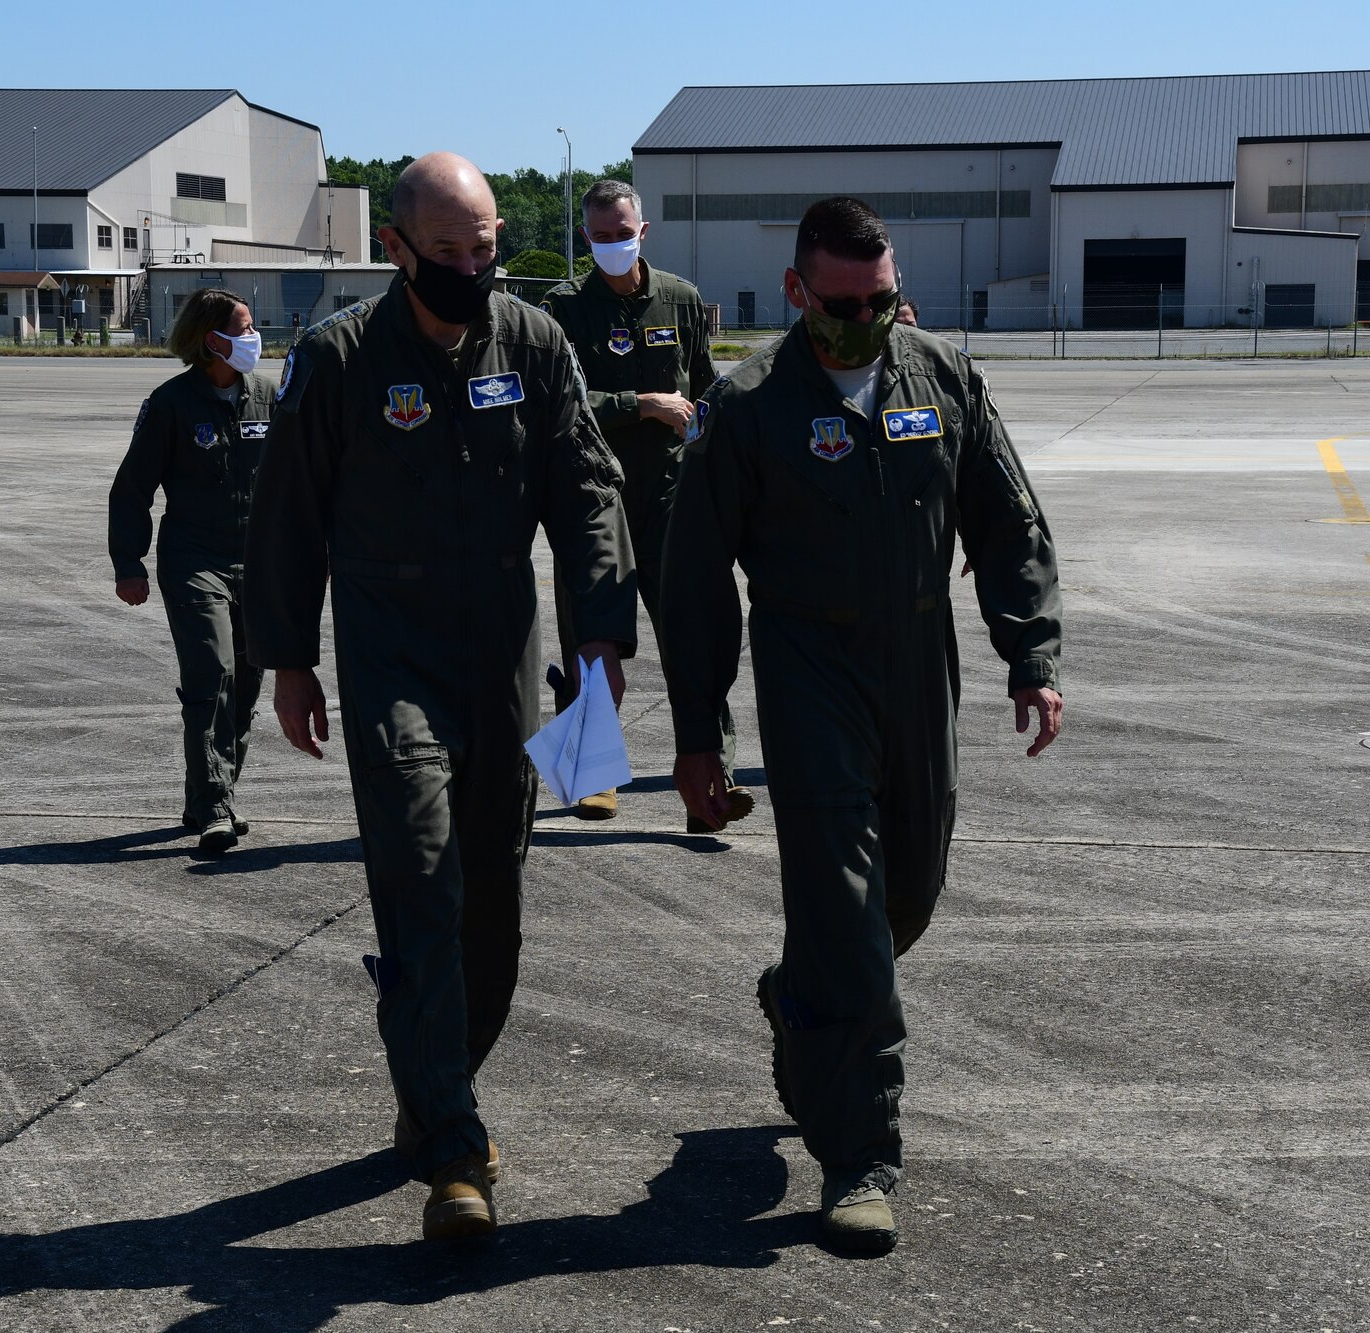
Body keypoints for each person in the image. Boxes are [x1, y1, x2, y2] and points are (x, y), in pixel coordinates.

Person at [244, 153, 637, 1241]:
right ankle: (457, 1154)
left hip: (504, 656)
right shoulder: (339, 358)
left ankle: (430, 1084)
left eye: (485, 248)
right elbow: (285, 515)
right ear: (397, 248)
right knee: (419, 880)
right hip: (391, 655)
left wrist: (600, 630)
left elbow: (587, 485)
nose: (472, 269)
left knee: (490, 913)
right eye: (449, 253)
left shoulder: (535, 342)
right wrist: (286, 658)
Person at [659, 197, 1063, 1254]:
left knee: (907, 895)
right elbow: (695, 580)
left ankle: (800, 996)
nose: (862, 323)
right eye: (840, 305)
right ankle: (857, 1154)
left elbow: (1006, 516)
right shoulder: (745, 405)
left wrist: (1030, 651)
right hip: (808, 670)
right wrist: (696, 735)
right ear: (795, 292)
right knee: (843, 903)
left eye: (879, 301)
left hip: (917, 665)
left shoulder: (937, 374)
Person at [538, 179, 751, 831]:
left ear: (644, 231)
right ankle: (592, 779)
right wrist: (642, 406)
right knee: (590, 640)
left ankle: (713, 776)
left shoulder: (680, 300)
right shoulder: (562, 307)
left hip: (670, 502)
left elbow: (706, 384)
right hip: (592, 502)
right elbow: (559, 402)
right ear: (585, 238)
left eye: (622, 233)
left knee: (694, 638)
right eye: (600, 237)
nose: (612, 245)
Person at [109, 287, 274, 854]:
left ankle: (208, 791)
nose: (256, 337)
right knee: (213, 672)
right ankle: (214, 807)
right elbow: (132, 489)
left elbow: (301, 484)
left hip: (259, 564)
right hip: (194, 561)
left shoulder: (269, 398)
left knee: (248, 682)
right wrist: (128, 562)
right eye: (245, 328)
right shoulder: (170, 405)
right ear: (213, 340)